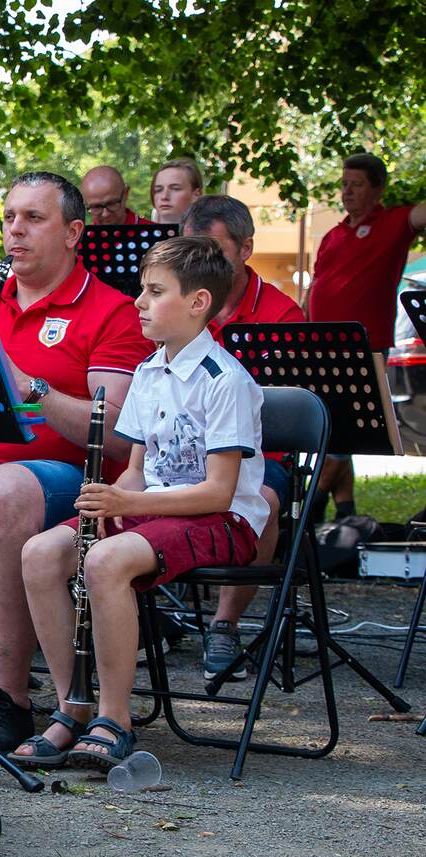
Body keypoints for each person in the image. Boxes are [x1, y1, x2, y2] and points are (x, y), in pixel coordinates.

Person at [13, 236, 265, 769]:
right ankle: (72, 705)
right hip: (156, 509)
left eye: (154, 292)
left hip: (221, 518)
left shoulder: (225, 381)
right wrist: (117, 503)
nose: (139, 303)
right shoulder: (150, 370)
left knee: (105, 560)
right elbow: (136, 467)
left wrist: (129, 501)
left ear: (197, 303)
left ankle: (115, 717)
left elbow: (220, 492)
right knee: (39, 554)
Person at [0, 172, 152, 761]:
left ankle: (4, 696)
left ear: (74, 233)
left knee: (1, 491)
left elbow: (114, 438)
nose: (15, 230)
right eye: (9, 217)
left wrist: (29, 388)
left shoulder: (111, 311)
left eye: (33, 218)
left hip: (69, 482)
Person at [181, 194, 304, 675]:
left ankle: (225, 625)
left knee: (264, 499)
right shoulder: (180, 305)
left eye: (213, 249)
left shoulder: (281, 315)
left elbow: (283, 417)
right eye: (191, 248)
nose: (201, 262)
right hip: (188, 451)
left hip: (256, 455)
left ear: (246, 248)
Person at [306, 153, 426, 519]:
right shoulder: (333, 234)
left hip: (363, 346)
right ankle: (347, 515)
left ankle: (308, 515)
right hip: (320, 346)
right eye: (344, 184)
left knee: (340, 435)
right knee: (337, 431)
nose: (347, 192)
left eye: (356, 185)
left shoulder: (392, 222)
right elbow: (316, 286)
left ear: (378, 189)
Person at [80, 165, 152, 227]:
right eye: (96, 207)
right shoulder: (79, 240)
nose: (105, 214)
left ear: (126, 194)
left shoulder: (157, 236)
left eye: (111, 203)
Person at [150, 159, 203, 225]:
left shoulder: (214, 234)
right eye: (158, 190)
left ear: (196, 195)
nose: (164, 196)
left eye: (175, 189)